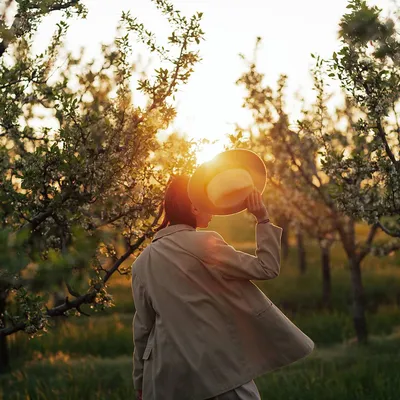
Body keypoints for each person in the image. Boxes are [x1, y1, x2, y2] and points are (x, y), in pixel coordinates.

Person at [131, 174, 313, 400]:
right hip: (217, 370)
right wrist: (263, 219)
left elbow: (142, 330)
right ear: (194, 208)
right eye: (208, 201)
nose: (214, 209)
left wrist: (140, 382)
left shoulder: (141, 263)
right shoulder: (205, 244)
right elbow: (267, 268)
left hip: (165, 379)